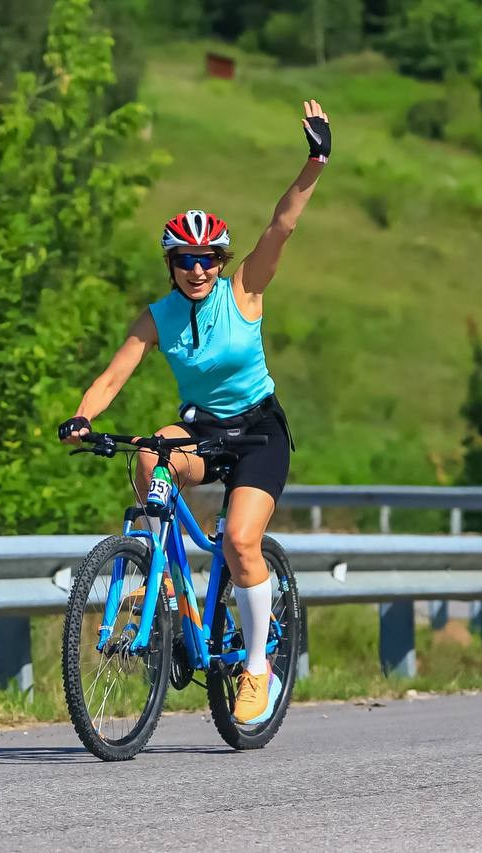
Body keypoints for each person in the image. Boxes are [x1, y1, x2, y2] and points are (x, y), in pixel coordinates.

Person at [57, 100, 331, 724]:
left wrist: (315, 161)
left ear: (222, 261)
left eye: (209, 258)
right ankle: (165, 580)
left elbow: (281, 227)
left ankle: (257, 668)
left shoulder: (246, 291)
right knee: (151, 448)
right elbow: (113, 375)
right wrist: (82, 417)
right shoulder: (160, 316)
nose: (199, 268)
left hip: (259, 431)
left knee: (239, 541)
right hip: (204, 427)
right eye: (187, 259)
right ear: (171, 264)